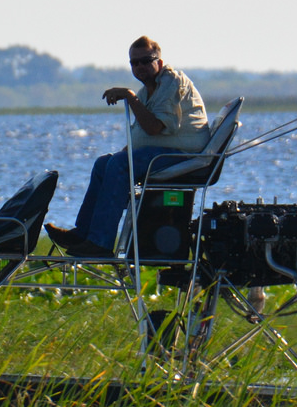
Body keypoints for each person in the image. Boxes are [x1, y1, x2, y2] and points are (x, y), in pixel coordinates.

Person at [45, 36, 211, 257]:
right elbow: (143, 134)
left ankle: (100, 244)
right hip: (165, 153)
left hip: (187, 158)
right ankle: (83, 234)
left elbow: (154, 128)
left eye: (146, 60)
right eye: (134, 63)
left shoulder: (171, 82)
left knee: (121, 164)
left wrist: (130, 97)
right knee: (105, 163)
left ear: (159, 62)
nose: (140, 66)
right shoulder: (150, 90)